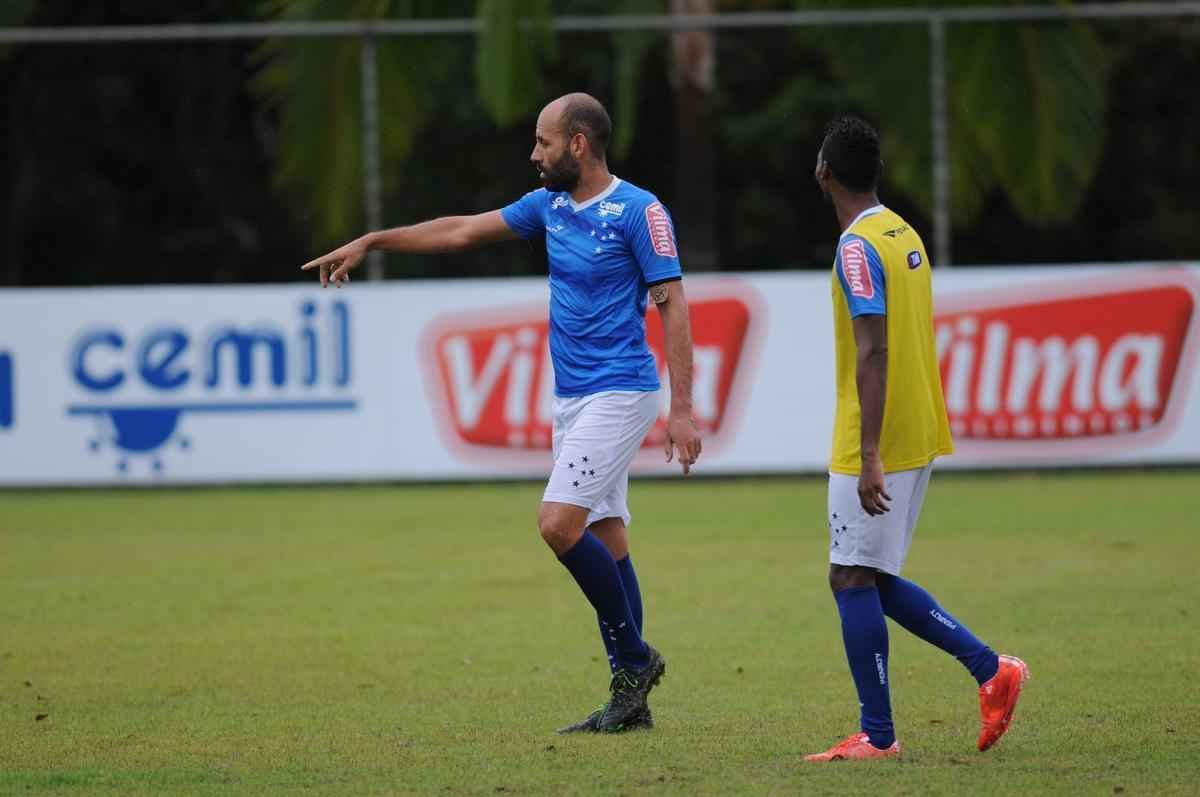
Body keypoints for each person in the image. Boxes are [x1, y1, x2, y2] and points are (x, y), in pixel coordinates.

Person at [301, 93, 701, 734]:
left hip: (621, 391)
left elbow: (673, 302)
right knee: (606, 537)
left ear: (578, 144)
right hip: (572, 398)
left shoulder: (638, 211)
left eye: (544, 142)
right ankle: (631, 702)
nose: (534, 154)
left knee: (557, 525)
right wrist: (374, 242)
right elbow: (459, 230)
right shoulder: (548, 207)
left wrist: (682, 408)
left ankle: (634, 659)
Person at [804, 115, 1029, 762]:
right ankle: (990, 670)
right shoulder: (902, 232)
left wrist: (870, 452)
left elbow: (873, 351)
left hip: (881, 433)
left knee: (850, 575)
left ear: (824, 173)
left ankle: (880, 735)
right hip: (919, 422)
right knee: (867, 574)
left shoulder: (856, 247)